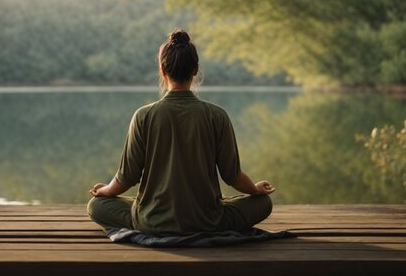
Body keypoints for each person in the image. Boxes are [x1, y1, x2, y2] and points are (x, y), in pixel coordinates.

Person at [87, 29, 275, 236]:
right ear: (195, 70)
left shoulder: (144, 115)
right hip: (207, 220)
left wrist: (104, 191)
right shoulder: (217, 115)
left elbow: (126, 178)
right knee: (263, 203)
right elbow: (233, 176)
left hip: (151, 221)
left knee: (96, 206)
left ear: (162, 69)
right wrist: (255, 191)